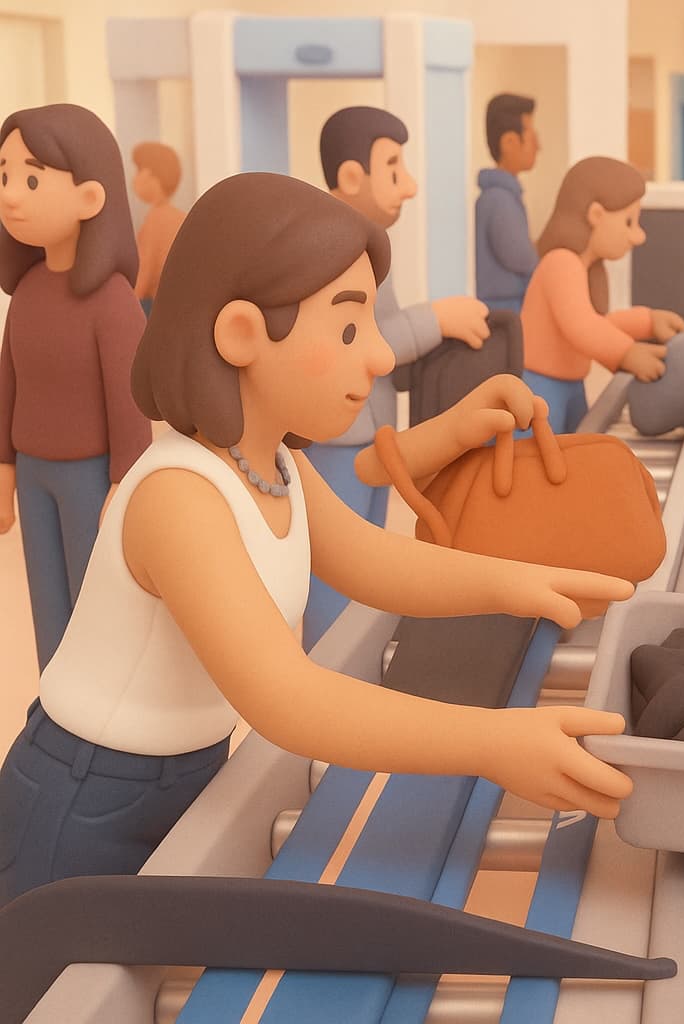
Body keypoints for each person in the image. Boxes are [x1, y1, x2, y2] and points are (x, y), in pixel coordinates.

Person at [0, 172, 635, 907]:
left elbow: (372, 559)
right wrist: (493, 742)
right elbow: (288, 698)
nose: (376, 357)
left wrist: (513, 583)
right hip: (83, 795)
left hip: (186, 772)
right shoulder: (179, 495)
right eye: (346, 328)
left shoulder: (276, 464)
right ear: (240, 333)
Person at [302, 106, 492, 650]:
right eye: (393, 168)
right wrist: (437, 318)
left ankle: (353, 662)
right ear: (351, 177)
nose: (407, 186)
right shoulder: (331, 251)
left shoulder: (363, 246)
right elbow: (371, 341)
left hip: (372, 430)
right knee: (334, 570)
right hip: (339, 436)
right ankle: (324, 670)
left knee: (368, 563)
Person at [0, 103, 151, 672]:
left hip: (92, 479)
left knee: (98, 597)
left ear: (91, 198)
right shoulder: (28, 292)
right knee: (46, 595)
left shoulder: (112, 303)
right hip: (34, 469)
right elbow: (7, 381)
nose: (12, 194)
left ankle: (98, 698)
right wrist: (6, 467)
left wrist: (123, 482)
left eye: (32, 178)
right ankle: (54, 698)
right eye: (5, 175)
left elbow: (129, 404)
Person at [521, 156, 684, 433]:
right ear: (596, 215)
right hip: (541, 389)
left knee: (578, 451)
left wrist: (647, 321)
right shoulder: (561, 263)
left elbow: (596, 324)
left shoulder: (583, 268)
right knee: (536, 460)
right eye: (629, 222)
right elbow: (581, 327)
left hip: (570, 386)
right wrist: (626, 353)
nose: (638, 236)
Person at [476, 93, 540, 312]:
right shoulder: (499, 200)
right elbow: (522, 257)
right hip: (505, 313)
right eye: (532, 136)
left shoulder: (503, 196)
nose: (538, 146)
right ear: (510, 142)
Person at [129, 140, 186, 315]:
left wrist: (129, 303)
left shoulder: (157, 218)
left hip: (159, 305)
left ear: (151, 175)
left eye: (139, 171)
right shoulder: (178, 215)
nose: (135, 178)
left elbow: (146, 268)